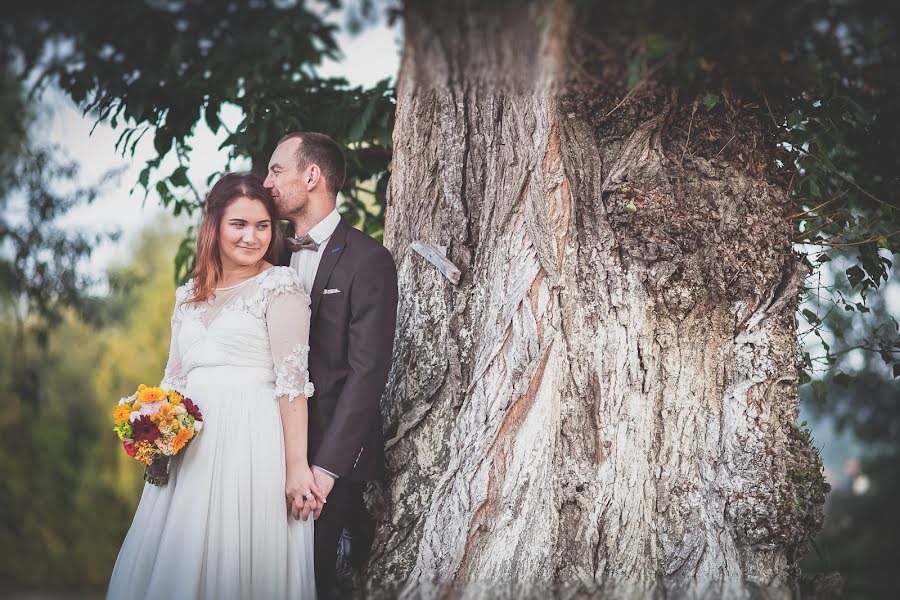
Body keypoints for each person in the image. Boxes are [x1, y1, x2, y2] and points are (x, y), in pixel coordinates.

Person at [107, 173, 319, 599]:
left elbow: (292, 383)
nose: (252, 237)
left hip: (251, 445)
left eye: (262, 226)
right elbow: (174, 380)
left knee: (237, 560)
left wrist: (297, 466)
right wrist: (151, 426)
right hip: (192, 452)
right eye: (239, 224)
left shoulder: (280, 286)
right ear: (215, 226)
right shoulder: (188, 296)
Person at [264, 132, 398, 598]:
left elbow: (368, 373)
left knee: (312, 582)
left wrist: (326, 470)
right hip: (266, 450)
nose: (267, 183)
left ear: (312, 175)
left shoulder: (369, 260)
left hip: (331, 464)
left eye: (276, 170)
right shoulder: (269, 253)